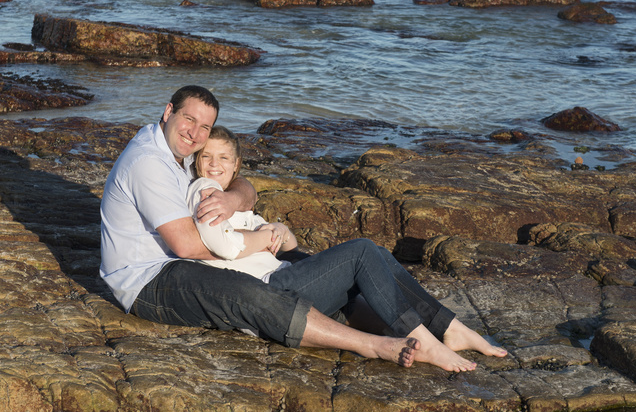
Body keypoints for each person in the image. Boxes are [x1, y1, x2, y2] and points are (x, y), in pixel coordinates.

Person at [99, 85, 503, 372]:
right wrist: (264, 240)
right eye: (189, 119)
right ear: (169, 111)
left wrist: (235, 200)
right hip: (149, 278)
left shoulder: (182, 153)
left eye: (205, 127)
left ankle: (448, 327)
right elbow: (188, 245)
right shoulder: (150, 162)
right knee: (354, 256)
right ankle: (418, 342)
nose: (195, 133)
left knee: (368, 258)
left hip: (231, 267)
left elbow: (242, 187)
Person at [187, 125, 508, 371]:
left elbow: (289, 247)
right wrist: (262, 237)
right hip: (270, 295)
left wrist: (280, 230)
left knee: (379, 255)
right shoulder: (205, 192)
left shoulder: (233, 199)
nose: (215, 165)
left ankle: (449, 328)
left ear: (237, 163)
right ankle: (426, 342)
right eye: (207, 157)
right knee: (363, 251)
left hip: (286, 276)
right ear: (196, 162)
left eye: (223, 157)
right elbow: (225, 245)